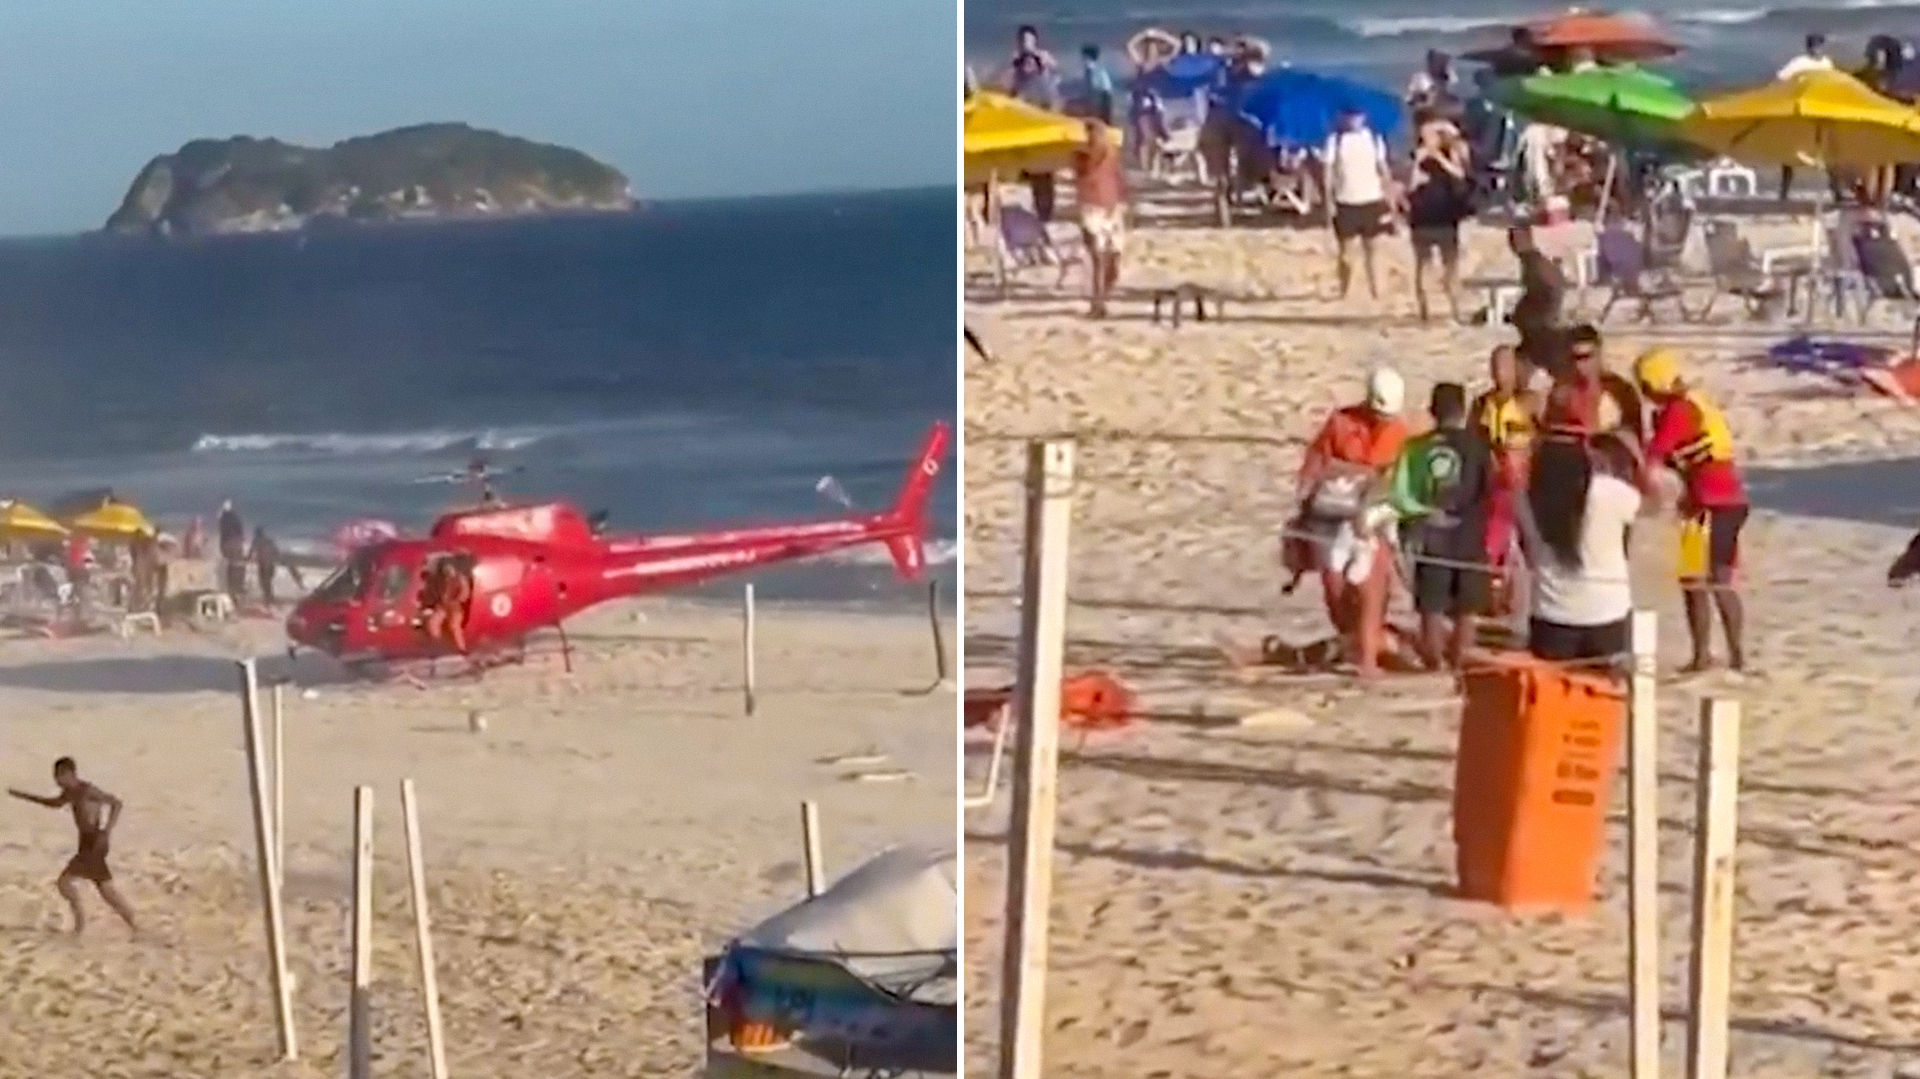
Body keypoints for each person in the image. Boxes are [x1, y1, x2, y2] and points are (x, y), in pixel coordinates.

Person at [1635, 348, 1750, 672]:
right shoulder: (1684, 406)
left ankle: (1735, 656)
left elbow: (1655, 453)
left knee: (1717, 580)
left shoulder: (1679, 411)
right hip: (1701, 505)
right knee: (1693, 580)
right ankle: (1704, 656)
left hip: (1718, 503)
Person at [1293, 368, 1411, 677]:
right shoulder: (1340, 423)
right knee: (1334, 587)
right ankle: (1352, 640)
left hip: (1374, 517)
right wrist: (1304, 505)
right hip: (1332, 515)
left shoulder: (1401, 434)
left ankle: (1368, 655)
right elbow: (1315, 465)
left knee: (1372, 585)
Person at [1389, 382, 1495, 669]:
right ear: (1462, 410)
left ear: (1432, 411)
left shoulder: (1415, 447)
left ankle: (1434, 663)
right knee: (1467, 608)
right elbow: (1489, 491)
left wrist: (1414, 524)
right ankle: (1459, 662)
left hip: (1431, 535)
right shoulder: (1478, 446)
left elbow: (1402, 495)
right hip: (1469, 533)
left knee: (1431, 606)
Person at [1516, 434, 1642, 662]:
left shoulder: (1525, 498)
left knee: (1551, 686)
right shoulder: (1611, 491)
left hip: (1551, 615)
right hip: (1608, 612)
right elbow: (1648, 506)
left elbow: (1527, 553)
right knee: (1608, 685)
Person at [8, 758, 138, 937]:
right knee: (106, 890)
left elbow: (116, 803)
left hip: (94, 842)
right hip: (86, 843)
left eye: (58, 777)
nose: (56, 781)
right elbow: (54, 803)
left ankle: (80, 927)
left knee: (65, 883)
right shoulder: (70, 792)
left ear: (69, 774)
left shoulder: (87, 790)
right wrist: (24, 796)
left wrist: (107, 831)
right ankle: (136, 926)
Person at [1473, 345, 1540, 611]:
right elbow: (1473, 437)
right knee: (1493, 539)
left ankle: (1534, 595)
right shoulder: (1482, 404)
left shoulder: (1530, 401)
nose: (1499, 373)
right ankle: (1494, 596)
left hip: (1524, 480)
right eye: (1495, 366)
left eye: (1505, 366)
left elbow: (1544, 435)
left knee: (1528, 540)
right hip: (1493, 481)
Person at [1323, 108, 1396, 300]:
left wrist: (1390, 196)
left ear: (1363, 117)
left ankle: (1376, 291)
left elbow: (1383, 168)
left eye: (1356, 116)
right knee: (1346, 253)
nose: (1352, 120)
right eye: (1349, 116)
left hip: (1371, 198)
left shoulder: (1374, 138)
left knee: (1373, 249)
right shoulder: (1335, 140)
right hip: (1346, 200)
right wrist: (1329, 200)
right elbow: (1328, 172)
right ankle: (1344, 290)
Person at [1407, 119, 1473, 323]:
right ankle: (1425, 312)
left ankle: (1456, 309)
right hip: (1422, 218)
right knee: (1424, 265)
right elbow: (1409, 185)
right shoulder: (1416, 157)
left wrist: (1439, 157)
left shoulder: (1451, 154)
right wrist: (1418, 162)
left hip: (1446, 217)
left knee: (1451, 267)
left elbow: (1461, 175)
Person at [1544, 324, 1645, 442]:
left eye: (1586, 357)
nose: (1579, 365)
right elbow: (1550, 431)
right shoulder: (1561, 389)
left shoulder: (1619, 390)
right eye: (1574, 358)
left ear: (1598, 354)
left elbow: (1634, 433)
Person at [1073, 117, 1127, 318]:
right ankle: (1098, 303)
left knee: (1107, 260)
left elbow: (1117, 178)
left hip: (1105, 207)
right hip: (1097, 208)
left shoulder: (1102, 155)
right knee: (1102, 259)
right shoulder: (1087, 155)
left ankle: (1100, 301)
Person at [1508, 226, 1566, 386]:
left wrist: (1543, 315)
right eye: (1511, 240)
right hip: (1536, 323)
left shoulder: (1535, 263)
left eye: (1515, 240)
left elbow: (1551, 289)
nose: (1513, 245)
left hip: (1540, 324)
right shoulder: (1532, 261)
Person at [1077, 44, 1116, 125]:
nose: (1081, 60)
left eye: (1083, 57)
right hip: (1092, 104)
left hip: (1099, 104)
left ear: (1087, 57)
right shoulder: (1088, 71)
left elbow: (1105, 91)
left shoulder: (1099, 72)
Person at [217, 499, 247, 599]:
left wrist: (222, 547)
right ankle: (239, 587)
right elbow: (240, 529)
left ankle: (232, 589)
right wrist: (241, 541)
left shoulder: (222, 518)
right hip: (236, 543)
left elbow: (222, 532)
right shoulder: (235, 517)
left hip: (227, 543)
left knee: (231, 566)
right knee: (238, 565)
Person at [250, 526, 282, 606]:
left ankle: (267, 598)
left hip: (263, 563)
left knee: (263, 581)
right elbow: (276, 551)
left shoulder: (256, 540)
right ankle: (270, 597)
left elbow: (251, 551)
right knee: (268, 581)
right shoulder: (269, 540)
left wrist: (247, 558)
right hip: (271, 563)